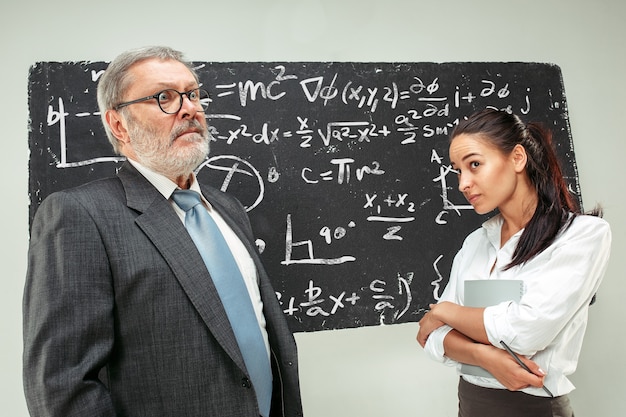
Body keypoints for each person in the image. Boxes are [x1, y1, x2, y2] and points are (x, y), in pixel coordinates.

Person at [23, 46, 303, 417]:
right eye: (164, 98)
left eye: (193, 94)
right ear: (119, 125)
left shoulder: (228, 208)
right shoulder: (79, 215)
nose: (189, 108)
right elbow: (60, 385)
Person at [416, 108, 611, 417]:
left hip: (533, 407)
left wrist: (445, 311)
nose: (463, 183)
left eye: (475, 165)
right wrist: (485, 356)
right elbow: (432, 338)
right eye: (458, 170)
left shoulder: (581, 235)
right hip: (469, 405)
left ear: (517, 158)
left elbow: (524, 332)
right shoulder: (476, 244)